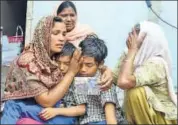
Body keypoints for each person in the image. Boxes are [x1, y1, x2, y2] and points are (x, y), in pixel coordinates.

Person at [1, 16, 81, 124]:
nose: (62, 38)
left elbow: (91, 64)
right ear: (43, 34)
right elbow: (46, 101)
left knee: (67, 120)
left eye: (63, 34)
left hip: (53, 111)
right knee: (14, 106)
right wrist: (71, 73)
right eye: (55, 33)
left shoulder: (55, 56)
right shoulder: (28, 61)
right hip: (33, 106)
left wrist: (105, 71)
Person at [113, 21, 177, 124]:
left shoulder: (157, 64)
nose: (132, 38)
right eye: (132, 34)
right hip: (145, 116)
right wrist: (104, 69)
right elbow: (114, 78)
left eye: (137, 34)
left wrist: (132, 51)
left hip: (163, 118)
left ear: (149, 40)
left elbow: (123, 82)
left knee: (135, 92)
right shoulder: (131, 55)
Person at [71, 35, 126, 124]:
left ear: (100, 63)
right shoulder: (79, 77)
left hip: (101, 121)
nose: (83, 69)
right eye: (80, 64)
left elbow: (110, 117)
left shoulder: (103, 82)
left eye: (89, 65)